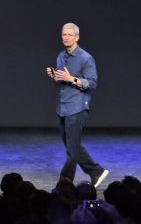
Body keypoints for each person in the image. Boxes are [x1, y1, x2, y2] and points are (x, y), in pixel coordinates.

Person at [46, 22, 108, 187]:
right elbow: (60, 82)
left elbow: (93, 83)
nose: (66, 37)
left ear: (77, 37)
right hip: (63, 107)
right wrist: (54, 77)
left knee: (71, 151)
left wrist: (72, 79)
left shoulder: (85, 58)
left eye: (69, 35)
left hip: (78, 107)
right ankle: (97, 172)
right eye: (63, 35)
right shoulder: (61, 56)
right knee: (72, 146)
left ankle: (64, 183)